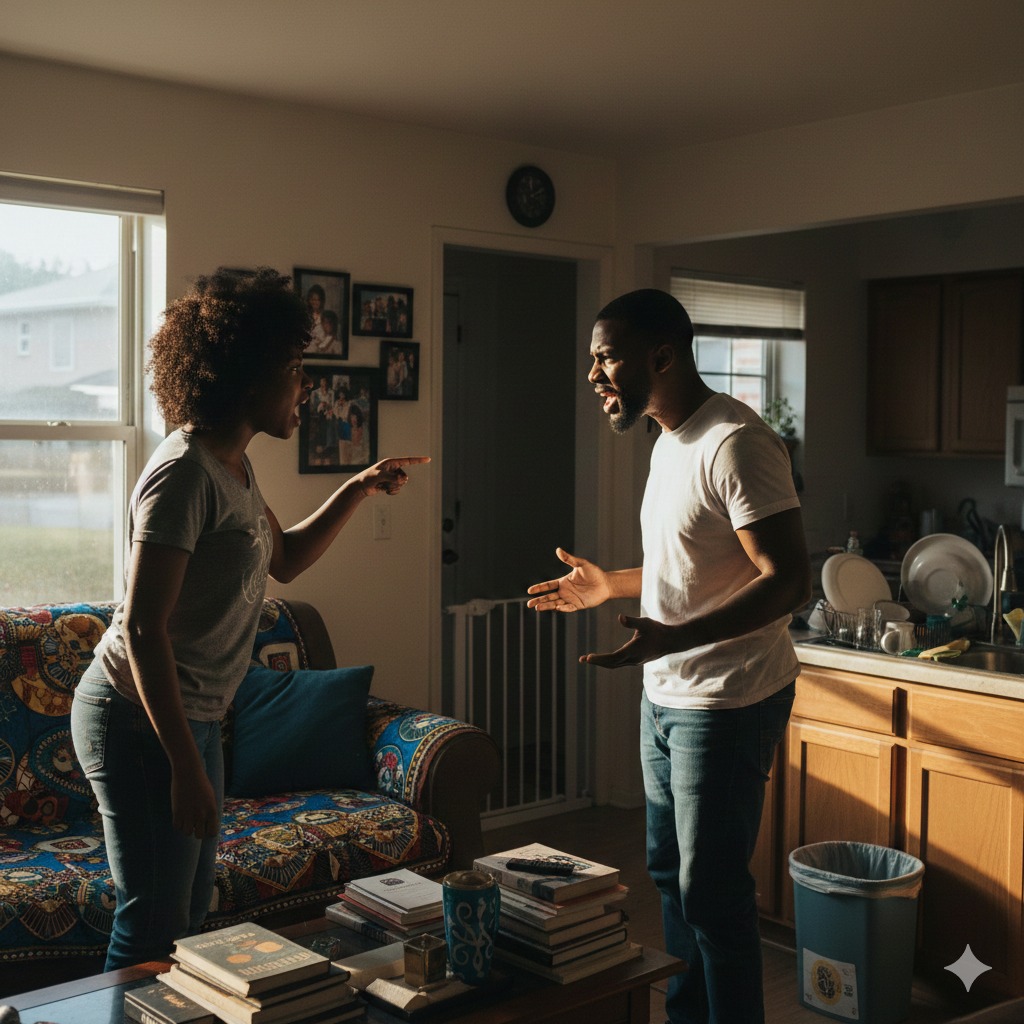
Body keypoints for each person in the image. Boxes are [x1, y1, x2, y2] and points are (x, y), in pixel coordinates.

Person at [69, 268, 429, 971]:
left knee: (190, 917)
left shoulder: (233, 464)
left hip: (190, 714)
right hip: (134, 716)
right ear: (247, 376)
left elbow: (286, 558)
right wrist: (183, 766)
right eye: (294, 369)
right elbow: (143, 627)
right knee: (152, 924)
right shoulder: (185, 475)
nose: (305, 386)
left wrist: (357, 486)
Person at [526, 288, 809, 1024]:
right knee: (669, 878)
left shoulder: (736, 442)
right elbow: (688, 570)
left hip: (728, 700)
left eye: (607, 356)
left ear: (662, 354)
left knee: (712, 891)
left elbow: (788, 580)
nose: (593, 375)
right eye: (592, 359)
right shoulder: (668, 441)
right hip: (666, 694)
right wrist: (607, 586)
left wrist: (674, 637)